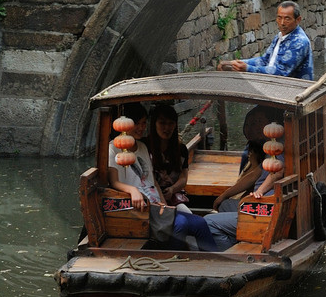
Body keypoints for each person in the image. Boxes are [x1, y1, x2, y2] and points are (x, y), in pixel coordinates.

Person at [107, 102, 218, 250]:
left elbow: (152, 181)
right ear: (125, 125)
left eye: (143, 123)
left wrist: (164, 203)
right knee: (182, 224)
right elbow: (113, 181)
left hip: (156, 204)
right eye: (137, 123)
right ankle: (174, 260)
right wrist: (133, 191)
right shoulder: (113, 148)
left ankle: (214, 259)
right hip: (139, 206)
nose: (141, 128)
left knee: (200, 223)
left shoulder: (142, 147)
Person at [203, 104, 284, 249]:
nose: (252, 127)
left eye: (257, 122)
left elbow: (277, 173)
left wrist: (260, 191)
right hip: (259, 202)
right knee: (225, 204)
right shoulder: (270, 146)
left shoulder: (278, 146)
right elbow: (255, 174)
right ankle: (240, 239)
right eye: (250, 123)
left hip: (264, 207)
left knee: (208, 222)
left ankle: (231, 254)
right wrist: (224, 195)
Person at [218, 0, 314, 79]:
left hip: (293, 91)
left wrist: (248, 68)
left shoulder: (299, 42)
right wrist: (236, 63)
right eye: (279, 18)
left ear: (298, 20)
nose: (282, 23)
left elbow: (281, 72)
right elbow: (264, 60)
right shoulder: (280, 36)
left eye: (287, 19)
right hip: (276, 85)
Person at [147, 102, 190, 205]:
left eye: (171, 123)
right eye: (162, 123)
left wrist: (172, 189)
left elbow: (184, 177)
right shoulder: (144, 146)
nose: (167, 128)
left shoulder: (181, 149)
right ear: (154, 124)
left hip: (174, 196)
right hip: (150, 197)